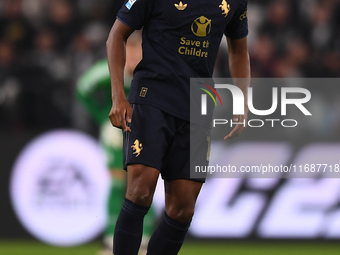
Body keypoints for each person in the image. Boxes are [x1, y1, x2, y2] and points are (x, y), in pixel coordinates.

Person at [106, 0, 250, 254]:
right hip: (153, 95)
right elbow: (116, 35)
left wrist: (242, 99)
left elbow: (239, 50)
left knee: (183, 209)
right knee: (140, 190)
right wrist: (118, 96)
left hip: (199, 103)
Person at [76, 32, 155, 255]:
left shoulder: (151, 70)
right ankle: (112, 239)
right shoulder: (108, 70)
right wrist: (102, 116)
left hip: (145, 132)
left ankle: (145, 238)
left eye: (136, 51)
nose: (131, 56)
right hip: (116, 133)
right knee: (118, 183)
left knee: (143, 185)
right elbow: (83, 89)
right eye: (128, 51)